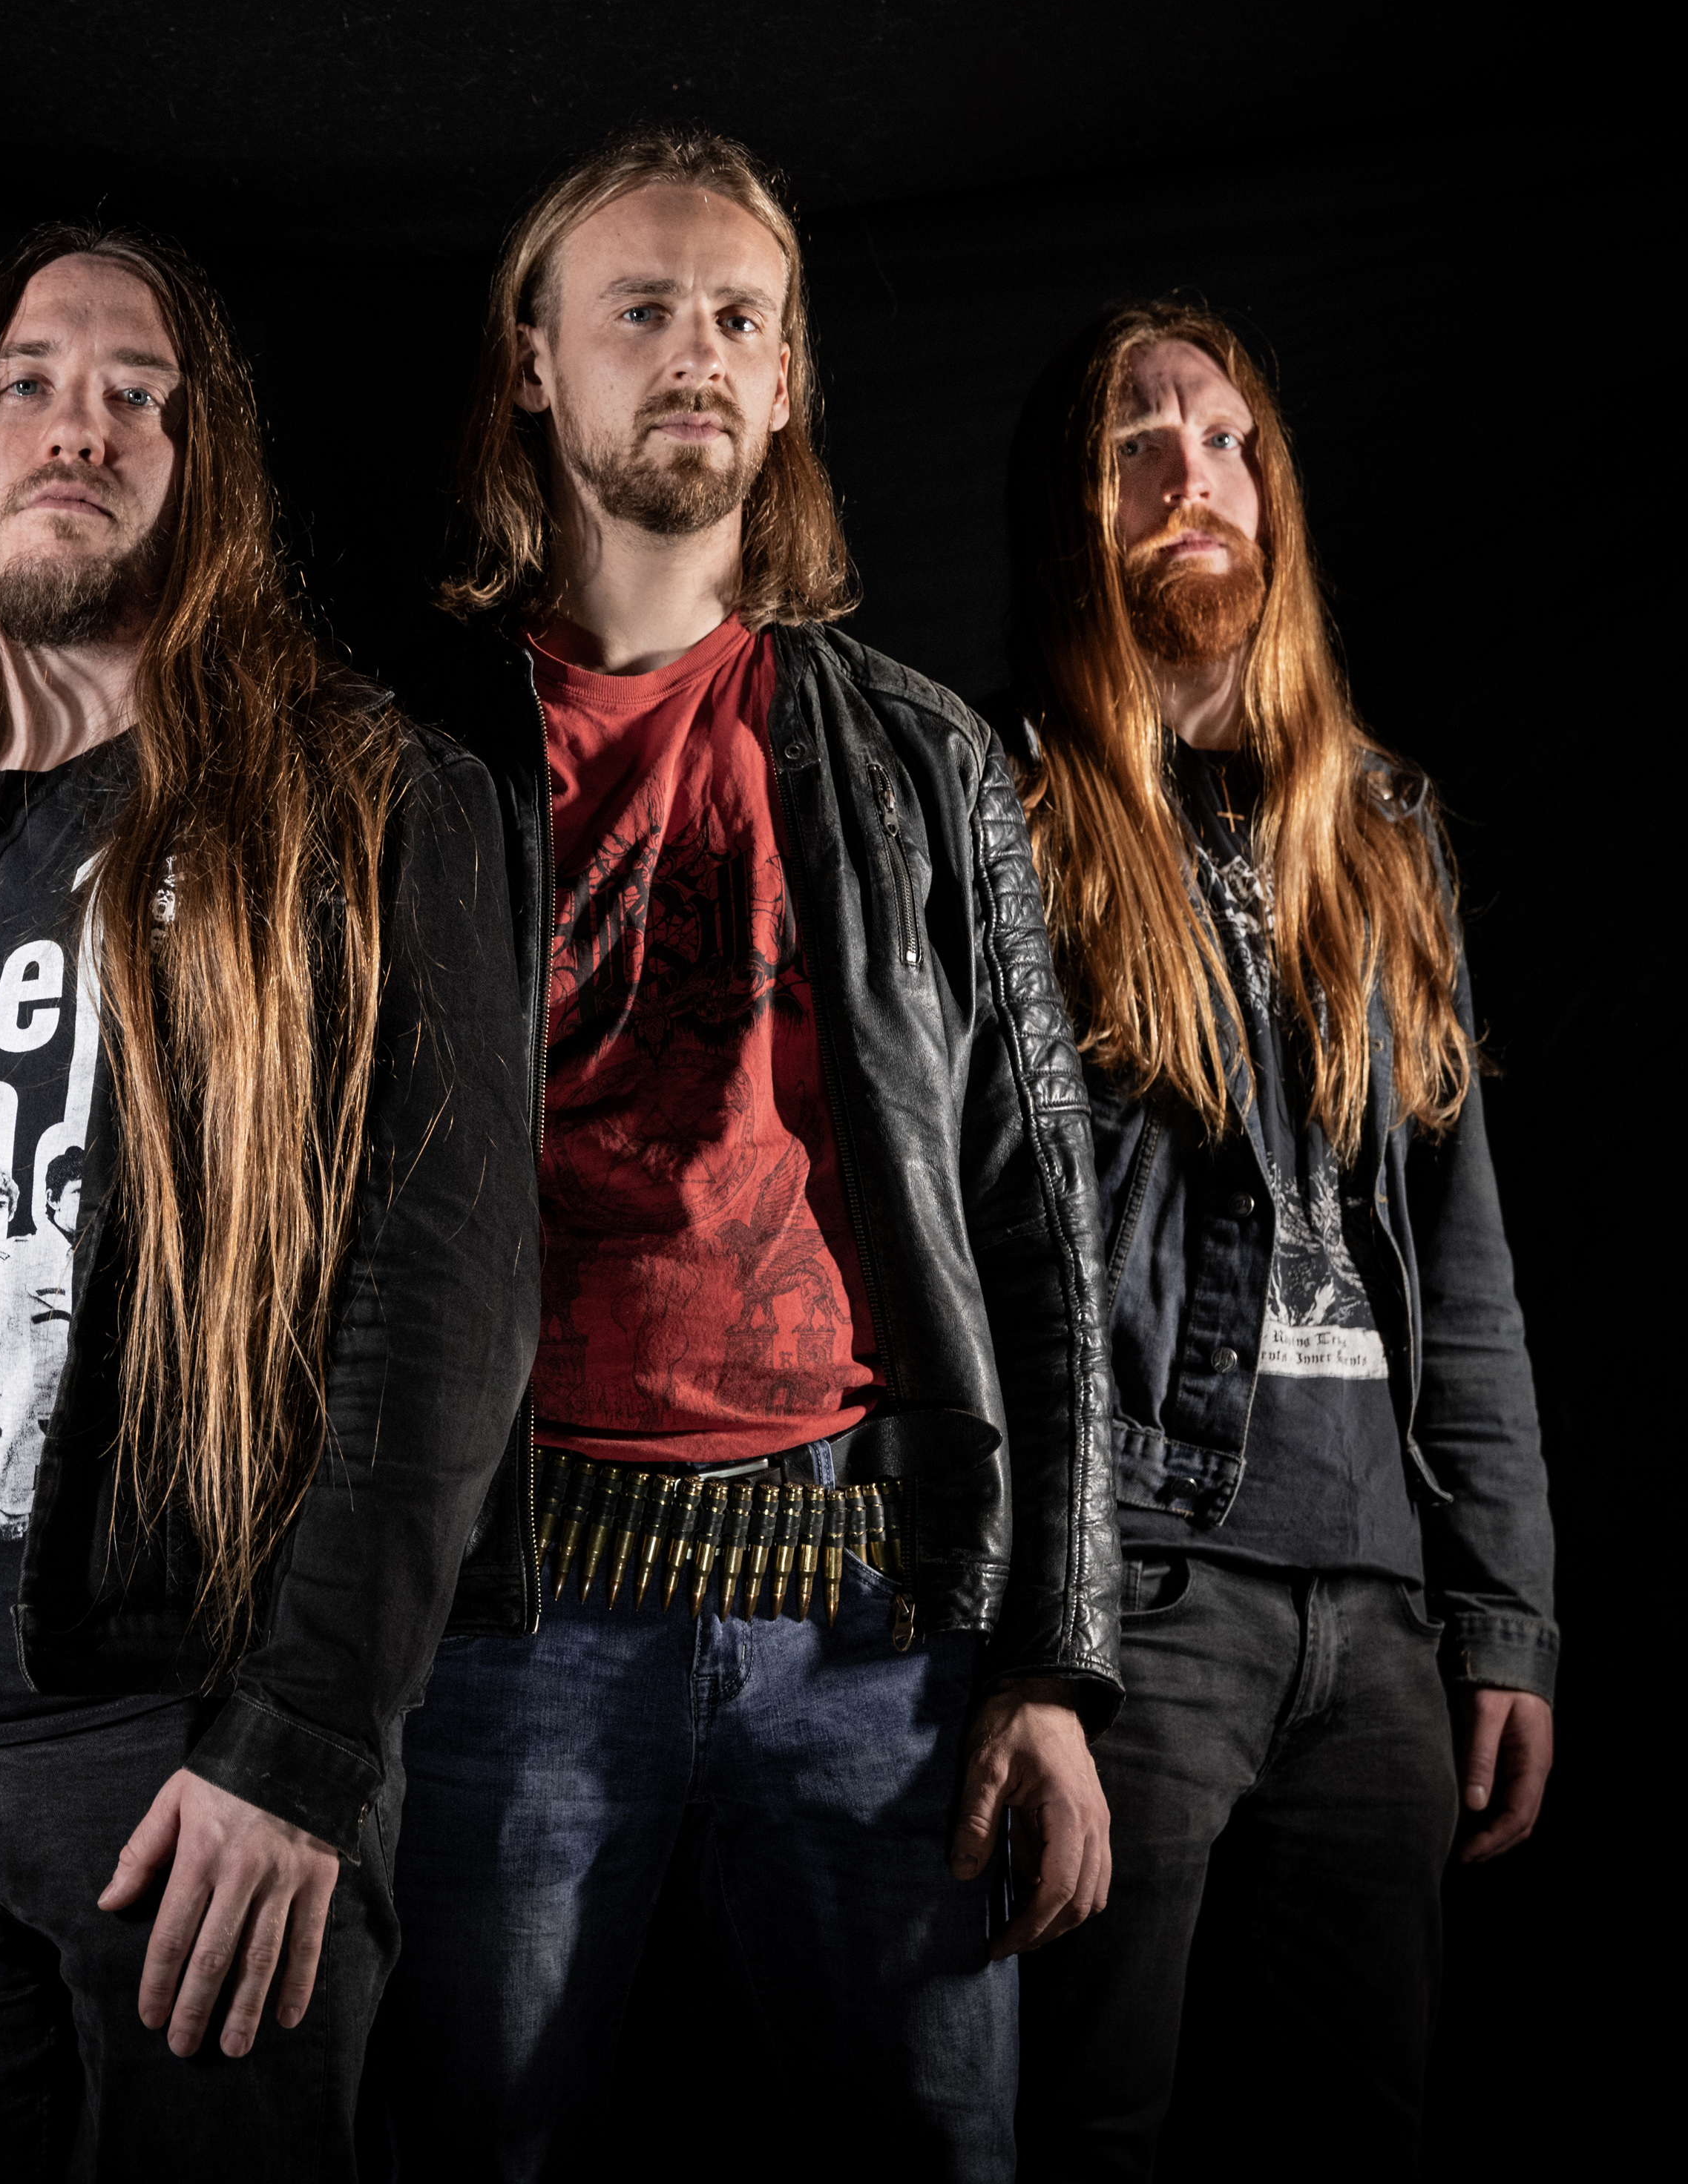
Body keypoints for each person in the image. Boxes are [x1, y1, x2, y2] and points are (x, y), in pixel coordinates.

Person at [0, 225, 536, 2180]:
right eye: (33, 384)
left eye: (142, 395)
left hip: (182, 1756)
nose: (82, 427)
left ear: (209, 472)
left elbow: (446, 1301)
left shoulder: (363, 803)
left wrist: (300, 1751)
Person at [378, 127, 1123, 2182]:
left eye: (737, 317)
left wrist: (1056, 1661)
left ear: (787, 382)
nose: (694, 350)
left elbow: (1039, 1217)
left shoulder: (920, 756)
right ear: (535, 361)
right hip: (505, 1618)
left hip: (874, 1631)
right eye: (641, 308)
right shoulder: (392, 751)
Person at [991, 301, 1559, 2177]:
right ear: (1075, 511)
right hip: (1139, 1587)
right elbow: (983, 1259)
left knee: (1354, 2128)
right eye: (1138, 449)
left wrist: (1504, 1614)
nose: (1195, 480)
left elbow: (1461, 1259)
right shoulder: (1010, 819)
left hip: (1379, 1607)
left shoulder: (1379, 830)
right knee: (1085, 2123)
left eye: (1226, 442)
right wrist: (1033, 1644)